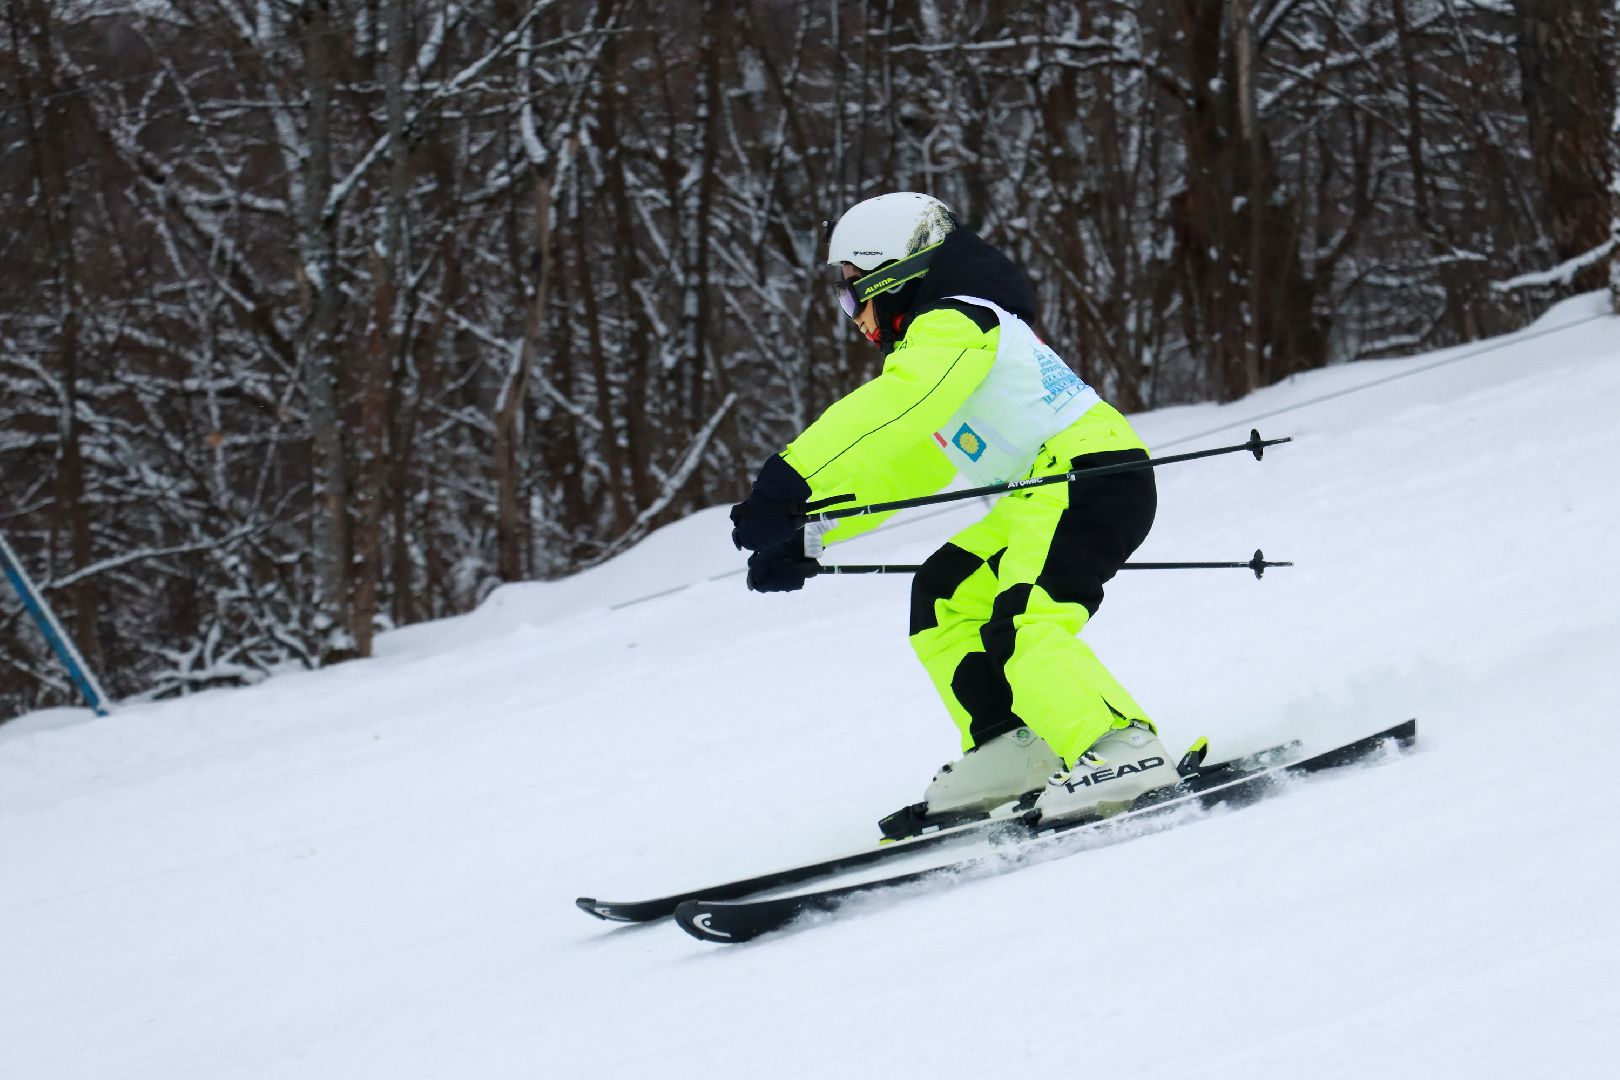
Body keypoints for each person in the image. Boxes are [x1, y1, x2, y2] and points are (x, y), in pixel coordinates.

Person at [729, 192, 1174, 827]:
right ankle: (1015, 746)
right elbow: (909, 458)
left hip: (1089, 475)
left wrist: (790, 482)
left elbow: (893, 410)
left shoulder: (958, 323)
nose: (851, 311)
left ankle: (1121, 747)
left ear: (892, 272)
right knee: (946, 595)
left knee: (1024, 621)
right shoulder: (944, 346)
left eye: (852, 288)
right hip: (1042, 491)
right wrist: (812, 529)